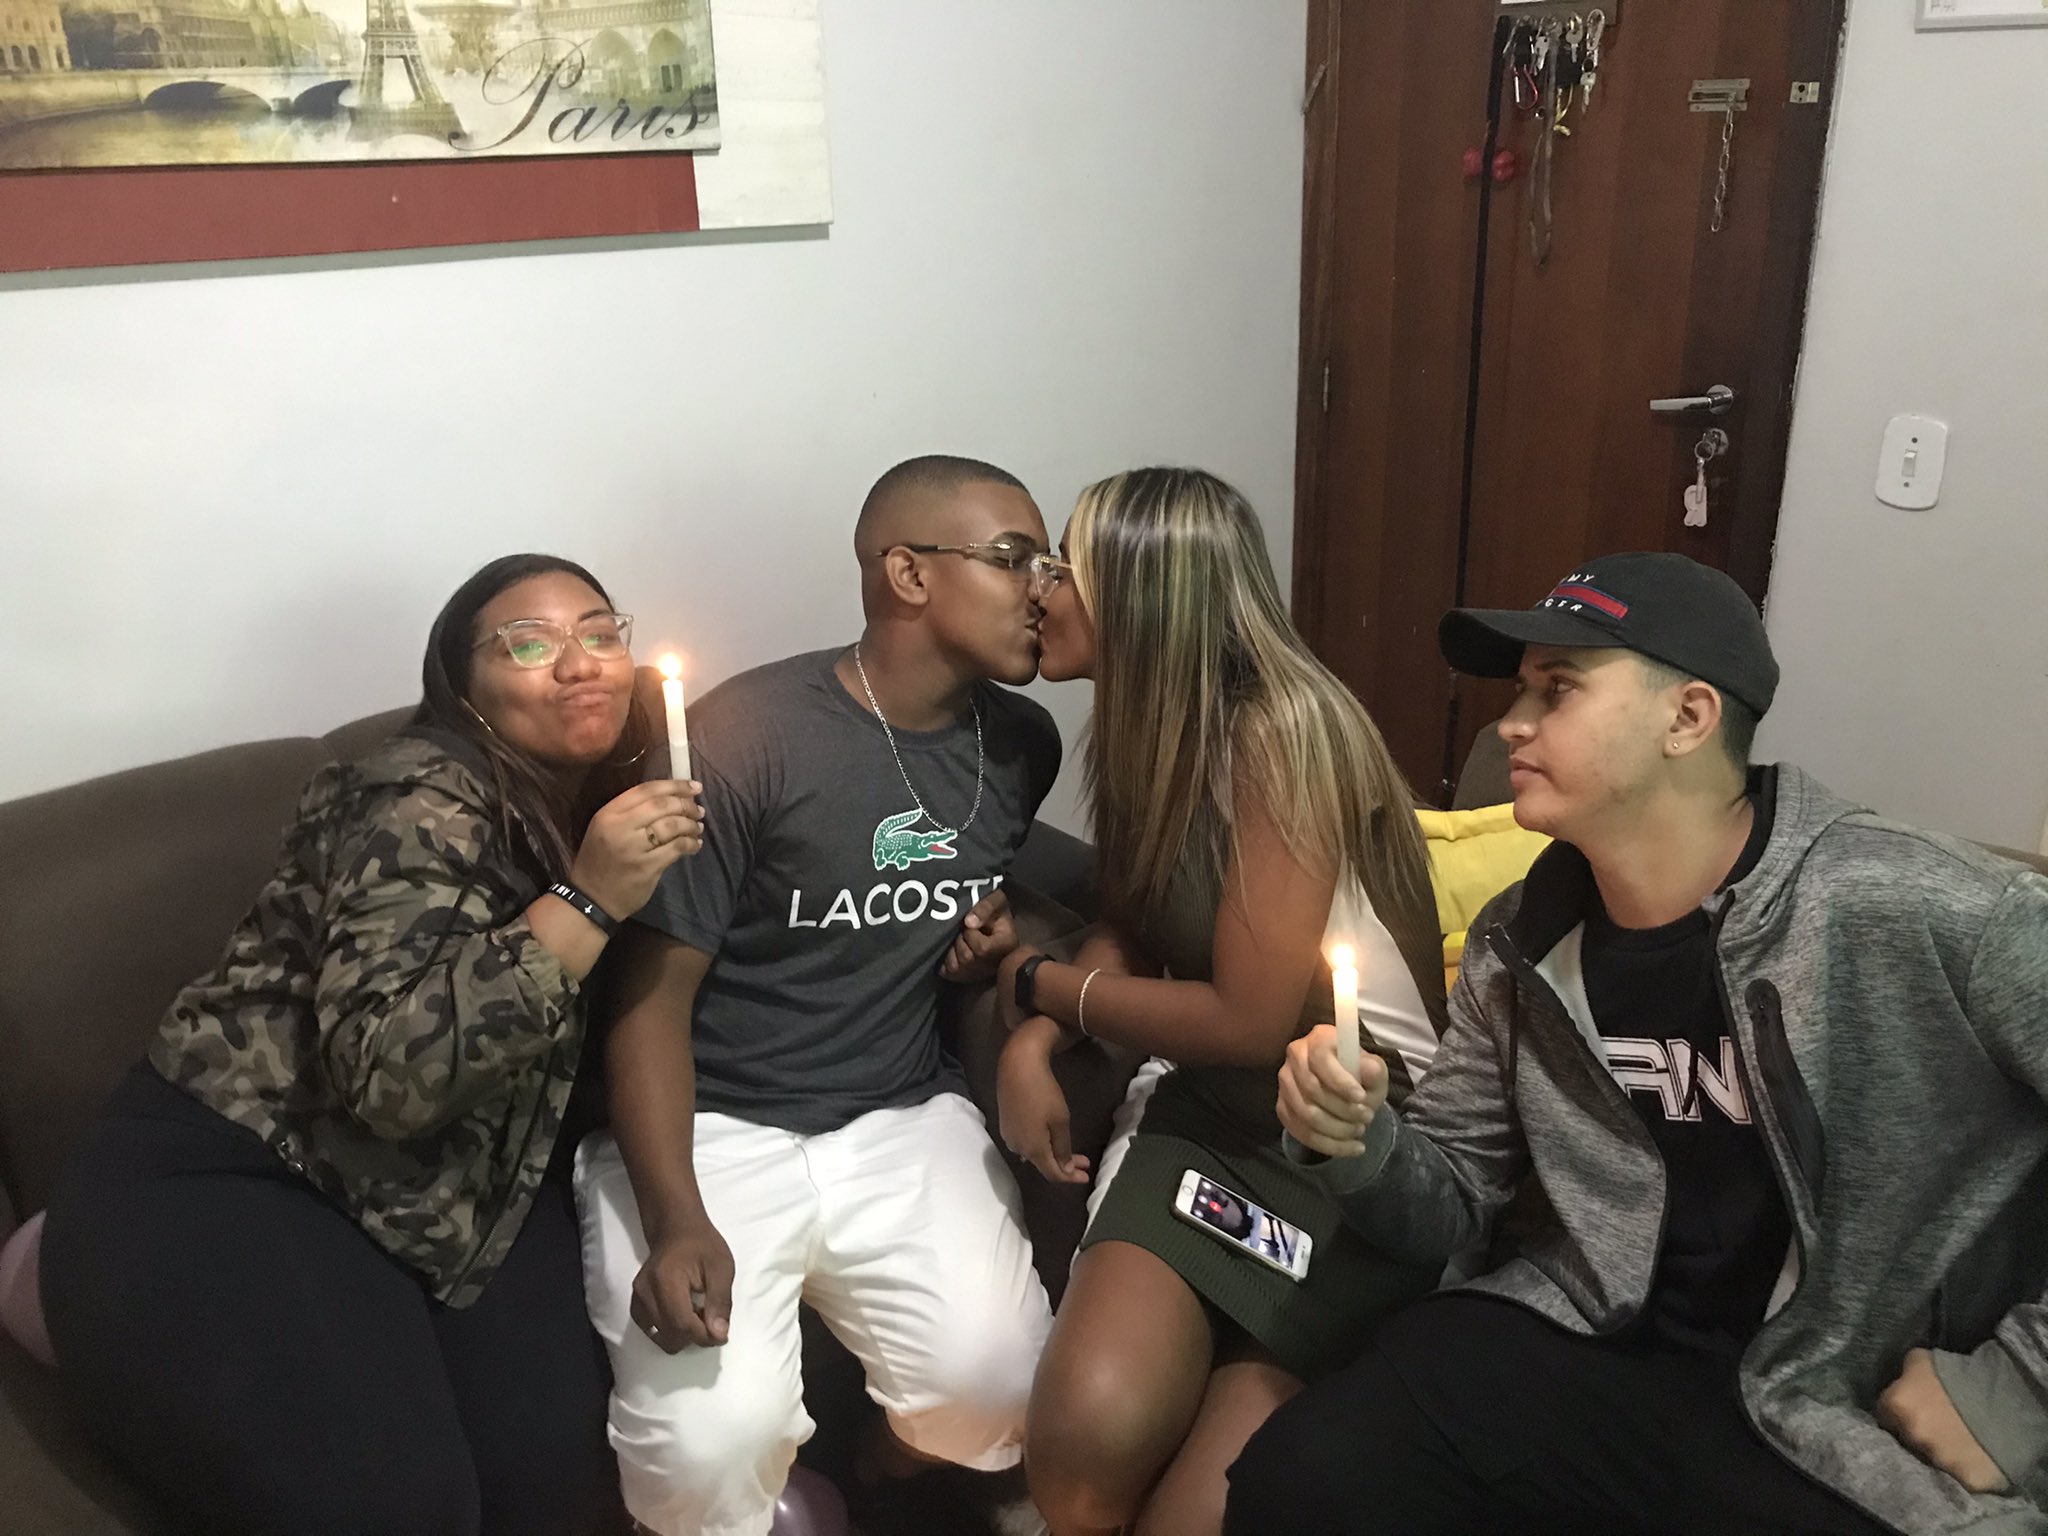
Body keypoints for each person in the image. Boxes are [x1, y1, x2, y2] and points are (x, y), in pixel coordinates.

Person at [1231, 552, 2048, 1536]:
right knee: (1302, 1478)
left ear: (1688, 718)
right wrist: (1356, 1142)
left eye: (1557, 689)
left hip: (1836, 1399)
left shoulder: (1920, 907)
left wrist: (2016, 1387)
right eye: (1519, 690)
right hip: (1584, 1331)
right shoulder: (1518, 940)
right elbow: (1448, 1202)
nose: (1510, 724)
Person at [40, 553, 705, 1536]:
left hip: (446, 1192)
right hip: (251, 1164)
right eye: (528, 645)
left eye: (600, 633)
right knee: (396, 1505)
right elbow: (390, 1076)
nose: (579, 663)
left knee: (562, 1485)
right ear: (463, 689)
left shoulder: (622, 793)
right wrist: (589, 899)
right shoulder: (416, 798)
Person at [576, 454, 1064, 1536]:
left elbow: (968, 883)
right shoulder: (746, 737)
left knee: (1010, 1394)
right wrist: (675, 1215)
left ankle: (873, 1473)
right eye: (1013, 557)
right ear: (908, 573)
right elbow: (647, 1001)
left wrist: (1006, 932)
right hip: (716, 1121)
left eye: (1047, 562)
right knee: (709, 1450)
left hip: (896, 1110)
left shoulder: (1023, 743)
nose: (1044, 587)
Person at [995, 467, 1449, 1536]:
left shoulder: (1283, 730)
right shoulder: (1151, 724)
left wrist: (1038, 980)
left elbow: (1249, 1020)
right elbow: (1136, 914)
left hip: (1347, 1135)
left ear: (1140, 592)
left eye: (1063, 568)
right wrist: (1035, 1037)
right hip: (1212, 1112)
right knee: (1075, 1470)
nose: (1039, 591)